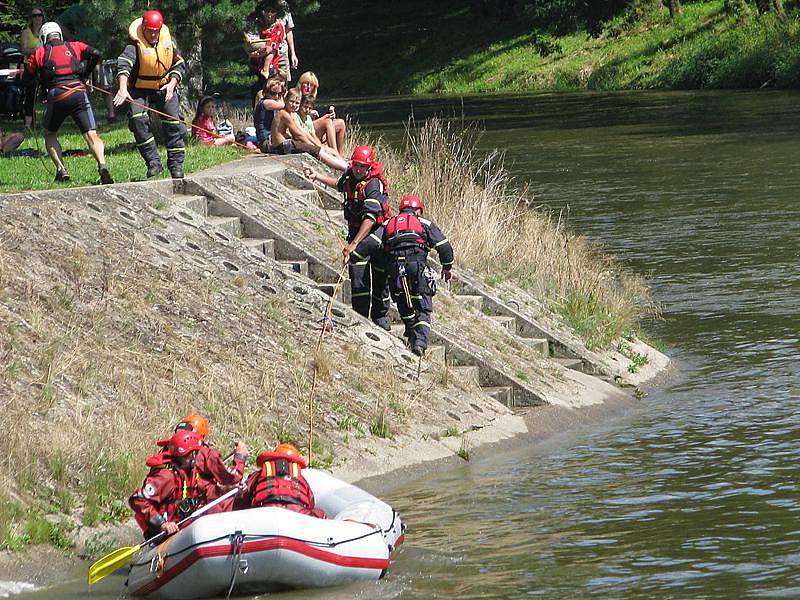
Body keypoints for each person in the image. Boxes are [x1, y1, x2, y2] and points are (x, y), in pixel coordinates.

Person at [303, 145, 392, 329]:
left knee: (379, 275)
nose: (359, 170)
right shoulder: (351, 176)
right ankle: (361, 318)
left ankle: (380, 319)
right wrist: (317, 176)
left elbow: (370, 217)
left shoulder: (374, 185)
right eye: (357, 165)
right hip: (357, 231)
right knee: (357, 273)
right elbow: (339, 185)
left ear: (369, 167)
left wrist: (354, 244)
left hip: (377, 233)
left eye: (362, 167)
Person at [25, 22, 113, 184]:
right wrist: (85, 75)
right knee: (91, 134)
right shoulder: (75, 46)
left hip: (57, 95)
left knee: (50, 134)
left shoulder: (40, 52)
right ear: (59, 34)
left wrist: (29, 108)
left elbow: (29, 76)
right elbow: (96, 53)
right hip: (79, 93)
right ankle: (102, 164)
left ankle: (61, 169)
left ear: (45, 37)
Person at [114, 10, 186, 179]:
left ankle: (176, 165)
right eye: (150, 30)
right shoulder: (133, 46)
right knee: (137, 120)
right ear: (143, 29)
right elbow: (123, 66)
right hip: (139, 89)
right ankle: (154, 162)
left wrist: (172, 83)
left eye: (156, 30)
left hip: (164, 87)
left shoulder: (169, 43)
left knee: (174, 124)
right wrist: (123, 88)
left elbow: (179, 64)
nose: (153, 34)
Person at [383, 195, 454, 356]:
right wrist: (447, 267)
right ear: (419, 210)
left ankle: (410, 332)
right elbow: (444, 246)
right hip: (416, 266)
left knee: (402, 300)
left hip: (395, 268)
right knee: (423, 305)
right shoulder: (424, 223)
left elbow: (378, 245)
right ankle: (420, 342)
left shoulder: (390, 223)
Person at [158, 414, 249, 512]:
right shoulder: (205, 454)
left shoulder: (166, 452)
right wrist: (240, 457)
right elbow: (233, 478)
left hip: (170, 507)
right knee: (243, 499)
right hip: (198, 508)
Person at [129, 429, 205, 540]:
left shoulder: (193, 473)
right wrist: (162, 524)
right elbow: (137, 499)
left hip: (185, 529)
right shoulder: (166, 477)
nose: (197, 456)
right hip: (165, 536)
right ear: (191, 453)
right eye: (196, 452)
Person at [267, 87, 348, 171]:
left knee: (327, 150)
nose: (294, 105)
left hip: (285, 145)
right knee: (319, 151)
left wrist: (317, 145)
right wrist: (314, 147)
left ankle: (344, 163)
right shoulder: (284, 114)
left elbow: (303, 133)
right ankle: (345, 168)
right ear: (285, 100)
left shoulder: (289, 114)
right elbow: (299, 134)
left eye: (297, 103)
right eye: (291, 101)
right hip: (283, 146)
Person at [240, 443, 324, 517]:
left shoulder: (259, 474)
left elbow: (245, 495)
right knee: (321, 514)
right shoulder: (301, 479)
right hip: (298, 512)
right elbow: (311, 503)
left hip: (265, 509)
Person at [297, 71, 346, 157]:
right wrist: (324, 118)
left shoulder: (311, 99)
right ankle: (335, 153)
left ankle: (340, 153)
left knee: (340, 123)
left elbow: (310, 123)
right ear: (301, 83)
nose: (308, 87)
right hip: (303, 130)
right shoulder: (296, 96)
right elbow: (300, 123)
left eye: (311, 85)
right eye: (306, 83)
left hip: (311, 128)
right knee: (327, 122)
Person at [246, 2, 285, 105]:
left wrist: (255, 54)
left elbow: (270, 48)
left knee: (270, 94)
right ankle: (256, 116)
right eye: (267, 11)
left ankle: (265, 69)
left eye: (273, 11)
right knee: (256, 94)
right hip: (256, 66)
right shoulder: (258, 26)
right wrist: (251, 54)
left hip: (271, 69)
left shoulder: (278, 27)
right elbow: (247, 42)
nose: (270, 14)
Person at [20, 6, 44, 128]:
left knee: (50, 93)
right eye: (34, 16)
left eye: (39, 15)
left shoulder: (46, 31)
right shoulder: (26, 32)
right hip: (30, 66)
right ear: (31, 18)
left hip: (44, 66)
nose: (37, 18)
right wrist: (37, 50)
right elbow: (24, 49)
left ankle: (51, 121)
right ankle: (28, 124)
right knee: (30, 95)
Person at [253, 77, 284, 149]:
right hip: (266, 141)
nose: (276, 96)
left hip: (272, 139)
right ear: (266, 93)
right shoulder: (265, 103)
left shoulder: (272, 104)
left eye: (279, 94)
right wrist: (281, 96)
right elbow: (283, 105)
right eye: (273, 93)